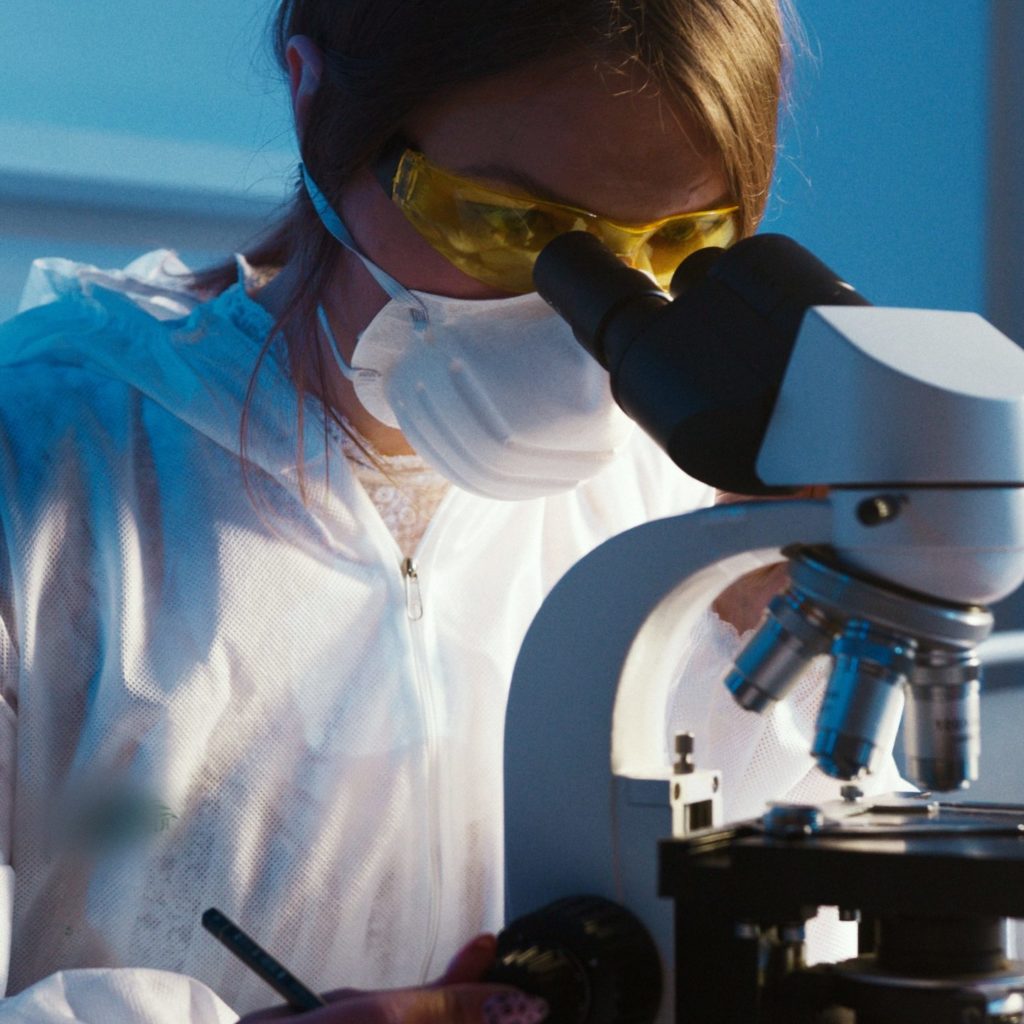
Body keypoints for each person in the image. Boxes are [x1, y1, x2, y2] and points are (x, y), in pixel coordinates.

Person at [0, 1, 903, 1021]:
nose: (586, 323)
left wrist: (763, 608)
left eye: (680, 244)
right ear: (315, 103)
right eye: (513, 227)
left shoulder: (674, 492)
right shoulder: (44, 468)